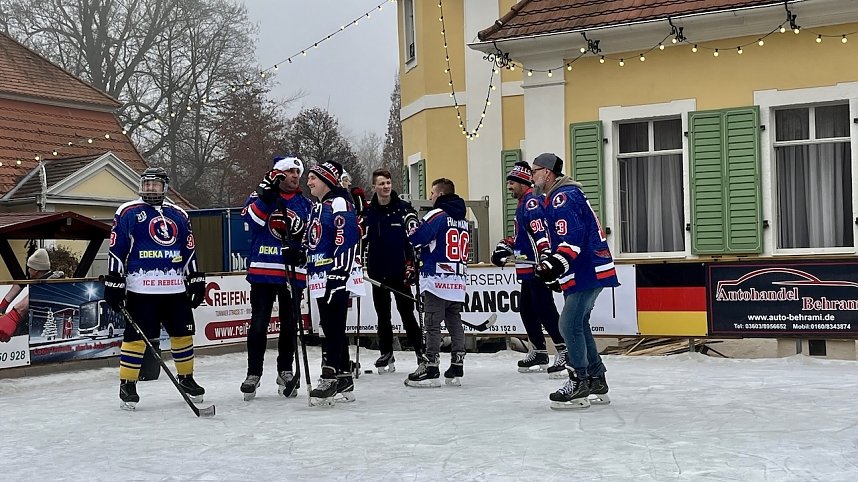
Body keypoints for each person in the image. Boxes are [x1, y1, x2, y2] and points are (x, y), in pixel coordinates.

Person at [104, 167, 207, 411]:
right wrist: (114, 282)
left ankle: (187, 379)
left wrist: (195, 279)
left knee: (183, 336)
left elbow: (188, 250)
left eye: (155, 184)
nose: (150, 188)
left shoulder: (179, 215)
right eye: (146, 184)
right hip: (142, 290)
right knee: (135, 338)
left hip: (174, 290)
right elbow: (116, 250)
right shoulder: (127, 212)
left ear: (165, 187)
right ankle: (127, 384)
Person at [530, 153, 619, 409]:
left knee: (568, 324)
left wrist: (557, 264)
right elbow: (560, 237)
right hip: (587, 267)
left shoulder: (563, 197)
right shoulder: (558, 197)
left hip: (587, 268)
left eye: (535, 171)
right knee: (579, 323)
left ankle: (579, 381)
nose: (532, 176)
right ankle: (596, 379)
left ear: (547, 173)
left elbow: (573, 236)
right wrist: (553, 266)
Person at [239, 156, 312, 400]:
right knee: (259, 323)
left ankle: (285, 370)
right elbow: (252, 221)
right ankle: (253, 373)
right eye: (289, 171)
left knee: (290, 324)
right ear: (277, 174)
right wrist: (267, 197)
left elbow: (311, 238)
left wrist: (301, 253)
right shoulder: (259, 196)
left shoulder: (305, 204)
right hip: (263, 270)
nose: (294, 176)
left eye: (296, 172)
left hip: (291, 274)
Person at [491, 161, 567, 377]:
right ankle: (539, 350)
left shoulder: (532, 203)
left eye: (512, 182)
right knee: (526, 308)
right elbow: (521, 237)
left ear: (524, 182)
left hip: (536, 267)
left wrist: (544, 262)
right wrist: (504, 246)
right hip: (526, 266)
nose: (509, 187)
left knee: (545, 308)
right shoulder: (523, 203)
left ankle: (563, 349)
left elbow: (541, 236)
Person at [304, 160, 365, 406]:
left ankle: (329, 374)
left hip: (335, 273)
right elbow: (318, 239)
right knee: (329, 325)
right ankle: (344, 377)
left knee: (334, 324)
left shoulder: (339, 202)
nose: (308, 182)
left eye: (313, 178)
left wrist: (339, 273)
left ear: (327, 180)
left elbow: (347, 237)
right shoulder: (320, 206)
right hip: (320, 274)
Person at [406, 178, 469, 387]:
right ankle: (457, 364)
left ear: (440, 195)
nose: (430, 197)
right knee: (454, 321)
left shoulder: (437, 214)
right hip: (457, 279)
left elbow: (418, 238)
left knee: (432, 323)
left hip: (436, 278)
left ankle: (431, 365)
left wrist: (411, 225)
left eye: (432, 193)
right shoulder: (462, 218)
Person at [363, 168, 422, 374]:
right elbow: (362, 239)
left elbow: (413, 240)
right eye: (381, 183)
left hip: (400, 271)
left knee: (407, 314)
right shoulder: (368, 211)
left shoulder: (404, 209)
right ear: (374, 187)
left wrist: (411, 265)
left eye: (388, 182)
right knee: (383, 316)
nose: (385, 186)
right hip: (378, 272)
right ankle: (386, 352)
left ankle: (420, 352)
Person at [0, 248, 65, 342]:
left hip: (41, 333)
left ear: (35, 271)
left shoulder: (50, 285)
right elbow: (22, 283)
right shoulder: (41, 280)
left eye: (29, 268)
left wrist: (13, 317)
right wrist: (4, 304)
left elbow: (24, 306)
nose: (28, 270)